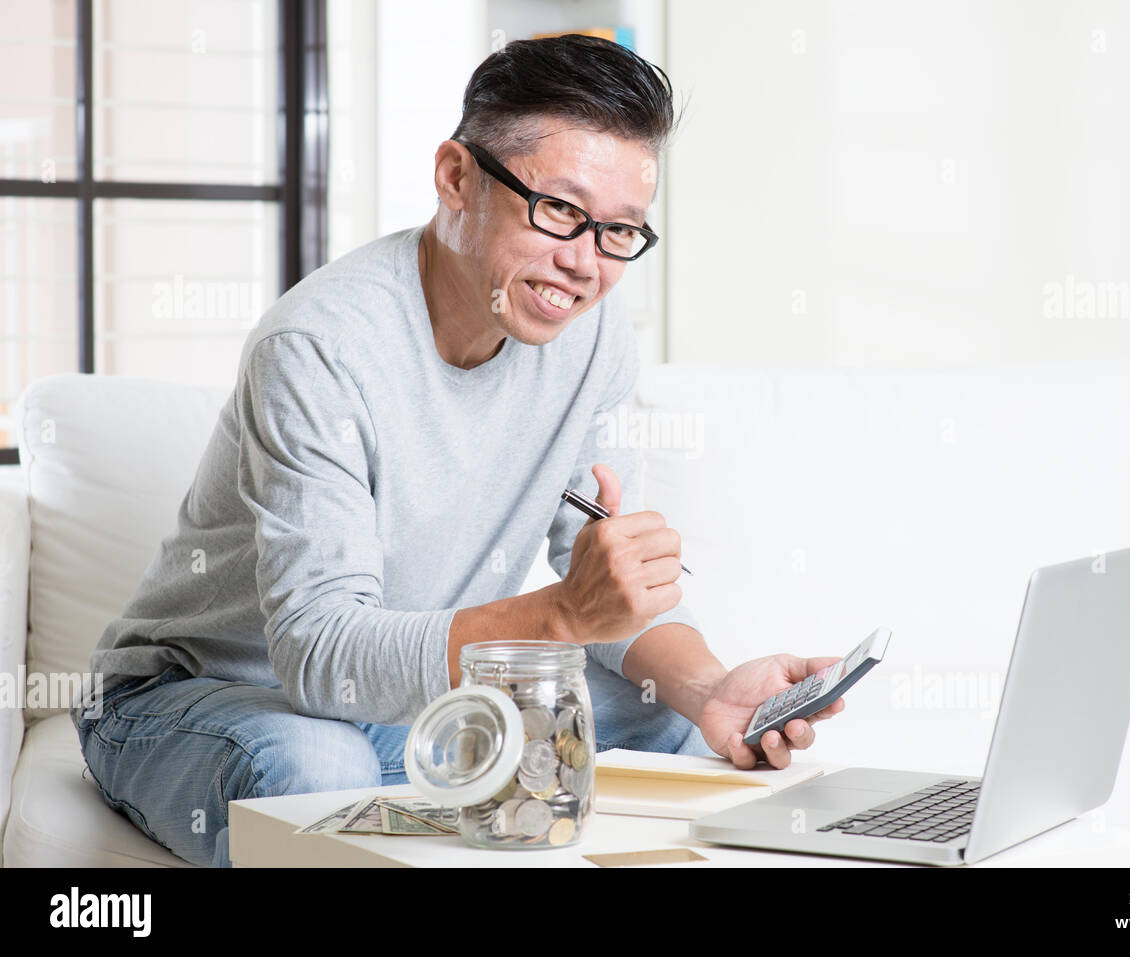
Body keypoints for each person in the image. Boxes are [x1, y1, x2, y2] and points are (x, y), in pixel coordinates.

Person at [73, 33, 844, 867]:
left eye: (620, 231)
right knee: (316, 763)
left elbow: (606, 582)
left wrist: (706, 688)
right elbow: (320, 657)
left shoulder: (591, 341)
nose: (585, 265)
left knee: (667, 715)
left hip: (407, 704)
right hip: (204, 697)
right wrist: (560, 614)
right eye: (558, 211)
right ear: (456, 178)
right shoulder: (318, 347)